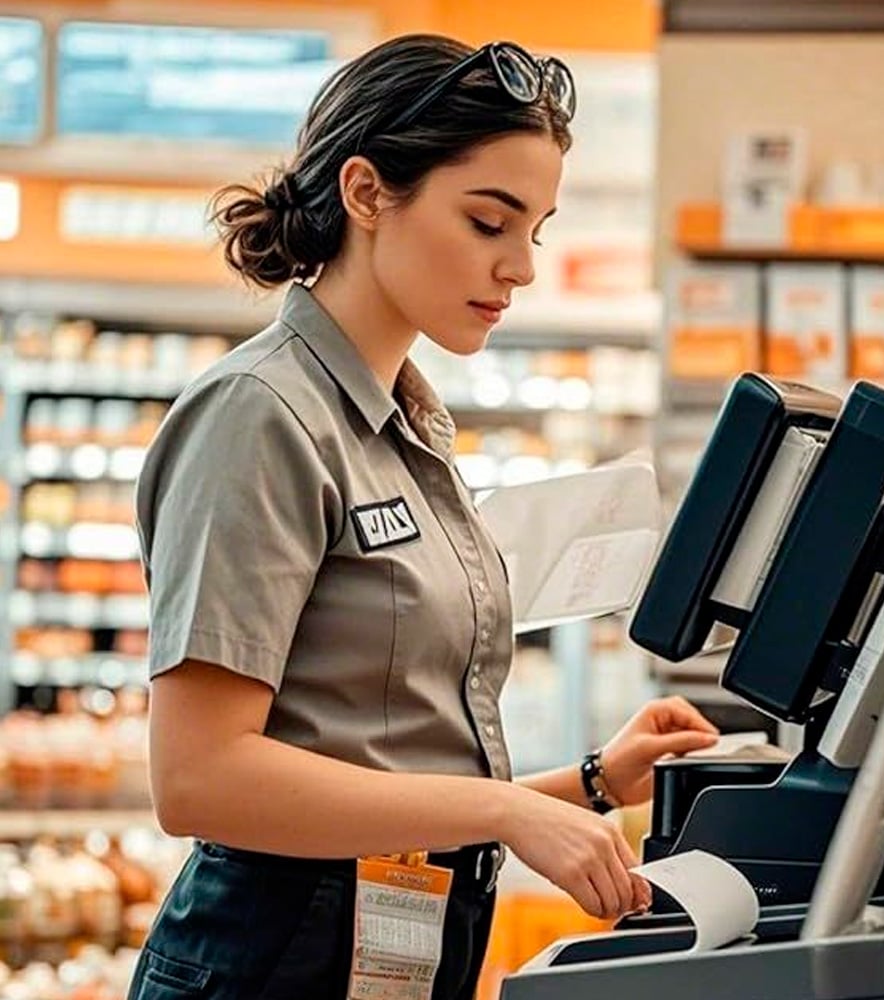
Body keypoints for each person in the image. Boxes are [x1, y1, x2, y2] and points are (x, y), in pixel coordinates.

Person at [127, 33, 719, 1000]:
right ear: (367, 193)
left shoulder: (408, 424)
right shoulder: (261, 416)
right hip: (273, 958)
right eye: (490, 222)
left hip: (386, 944)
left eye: (537, 229)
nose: (521, 266)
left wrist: (594, 785)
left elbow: (379, 774)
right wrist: (501, 807)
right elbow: (199, 780)